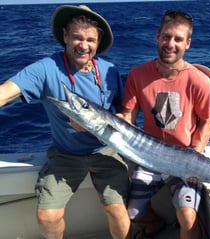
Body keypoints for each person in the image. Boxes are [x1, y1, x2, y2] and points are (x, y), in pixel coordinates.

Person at [0, 5, 131, 239]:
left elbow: (125, 108)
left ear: (98, 42)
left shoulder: (110, 69)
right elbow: (6, 93)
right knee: (47, 217)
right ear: (65, 37)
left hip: (107, 150)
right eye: (77, 37)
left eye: (91, 39)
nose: (84, 45)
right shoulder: (45, 69)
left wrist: (124, 118)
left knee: (118, 210)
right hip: (65, 154)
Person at [121, 10, 210, 239]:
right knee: (132, 214)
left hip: (184, 158)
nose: (170, 44)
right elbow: (128, 115)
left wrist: (197, 154)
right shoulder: (137, 74)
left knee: (187, 216)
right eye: (166, 37)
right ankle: (155, 224)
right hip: (149, 158)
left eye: (178, 39)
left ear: (188, 44)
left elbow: (206, 121)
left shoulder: (199, 81)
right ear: (157, 36)